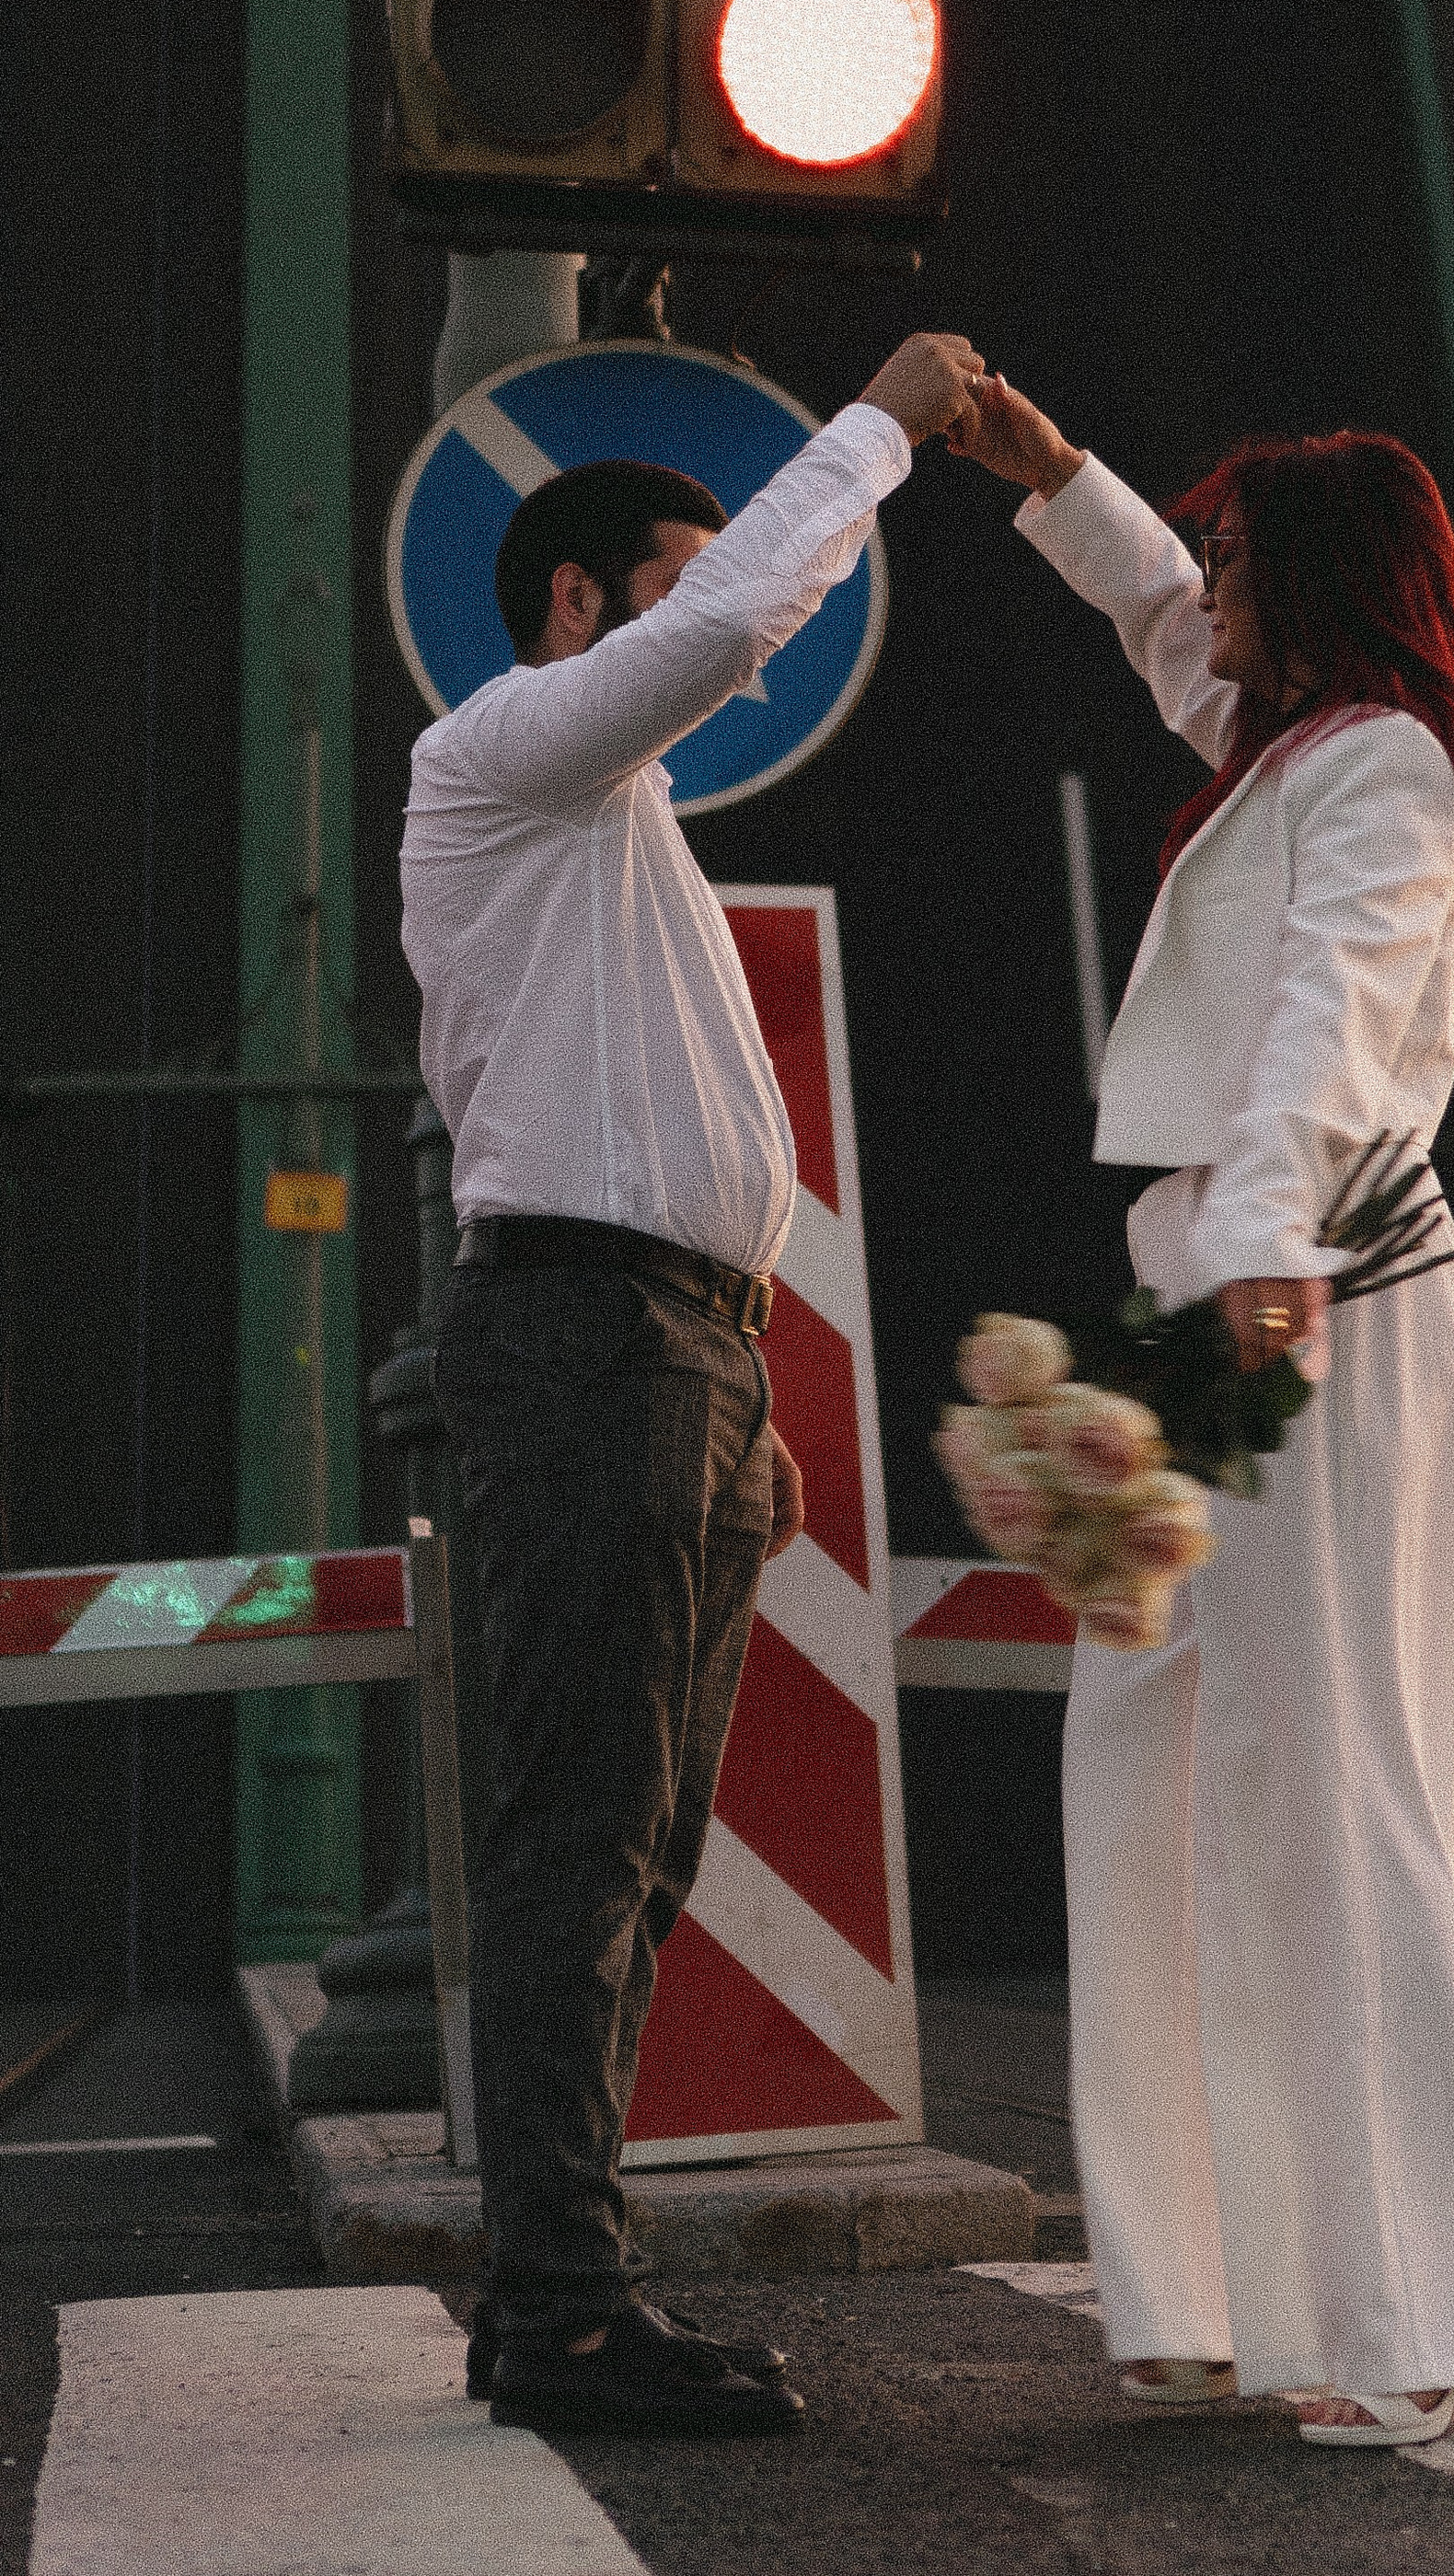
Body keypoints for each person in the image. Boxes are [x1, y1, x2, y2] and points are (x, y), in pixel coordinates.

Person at [956, 377, 1454, 2448]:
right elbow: (1154, 625)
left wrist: (1276, 1239)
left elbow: (1337, 1005)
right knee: (1159, 1776)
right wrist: (1048, 480)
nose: (1200, 579)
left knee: (1331, 1787)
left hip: (1315, 1295)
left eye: (1231, 556)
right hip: (1226, 1298)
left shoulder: (1379, 768)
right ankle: (1251, 2294)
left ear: (1309, 592)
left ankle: (1431, 2321)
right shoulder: (1291, 744)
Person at [402, 328, 982, 2439]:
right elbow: (751, 609)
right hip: (588, 1340)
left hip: (668, 1359)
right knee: (581, 1837)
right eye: (663, 584)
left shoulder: (603, 826)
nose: (713, 624)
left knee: (634, 1853)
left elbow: (693, 1114)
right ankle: (555, 2307)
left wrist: (742, 1394)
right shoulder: (504, 756)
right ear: (574, 612)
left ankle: (561, 2287)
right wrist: (886, 423)